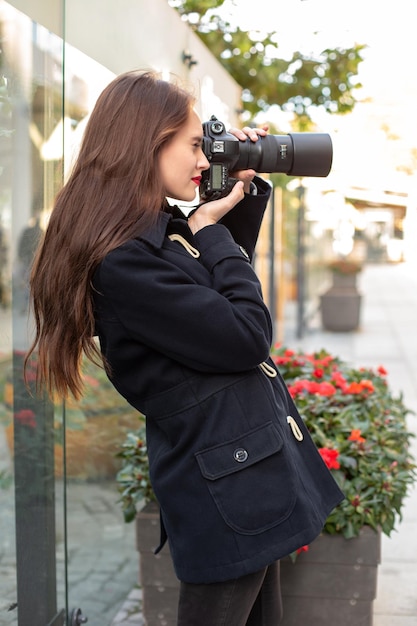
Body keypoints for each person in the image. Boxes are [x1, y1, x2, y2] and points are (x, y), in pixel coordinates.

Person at [26, 70, 344, 626]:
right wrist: (210, 231)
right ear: (147, 143)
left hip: (246, 472)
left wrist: (230, 202)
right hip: (230, 489)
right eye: (195, 145)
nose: (203, 158)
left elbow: (211, 297)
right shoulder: (125, 262)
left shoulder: (151, 235)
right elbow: (245, 337)